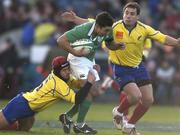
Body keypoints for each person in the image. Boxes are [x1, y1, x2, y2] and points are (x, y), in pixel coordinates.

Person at [61, 2, 180, 135]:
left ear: (138, 17)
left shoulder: (144, 29)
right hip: (120, 66)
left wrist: (176, 42)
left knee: (148, 100)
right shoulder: (114, 26)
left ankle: (129, 125)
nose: (128, 16)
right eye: (126, 13)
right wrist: (75, 19)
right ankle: (117, 112)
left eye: (132, 14)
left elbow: (162, 37)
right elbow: (94, 22)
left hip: (138, 66)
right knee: (135, 96)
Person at [0, 56, 95, 131]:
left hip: (30, 109)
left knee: (23, 130)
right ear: (58, 71)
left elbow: (79, 85)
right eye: (64, 70)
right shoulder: (57, 83)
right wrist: (89, 82)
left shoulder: (64, 77)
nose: (67, 72)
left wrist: (87, 75)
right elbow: (77, 99)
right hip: (22, 105)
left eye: (68, 69)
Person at [57, 12, 114, 134]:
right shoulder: (82, 30)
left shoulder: (108, 30)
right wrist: (76, 52)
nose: (107, 32)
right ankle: (80, 124)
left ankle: (67, 117)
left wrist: (117, 46)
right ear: (98, 27)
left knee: (93, 92)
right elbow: (61, 40)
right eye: (105, 30)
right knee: (87, 90)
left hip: (88, 60)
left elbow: (110, 43)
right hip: (76, 59)